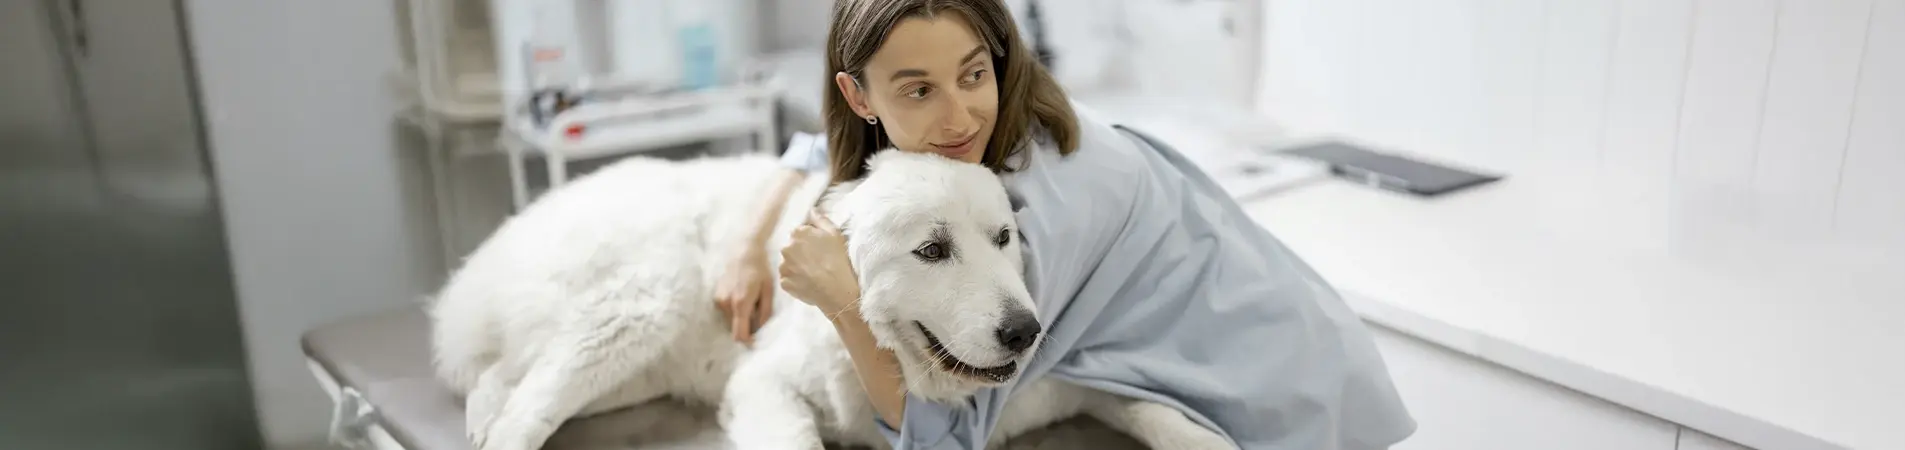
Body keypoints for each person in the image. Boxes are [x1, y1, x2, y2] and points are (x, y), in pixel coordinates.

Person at [713, 0, 1418, 449]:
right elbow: (823, 148)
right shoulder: (948, 153)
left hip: (1273, 379)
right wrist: (749, 241)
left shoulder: (1029, 203)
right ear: (859, 95)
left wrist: (843, 302)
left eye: (972, 75)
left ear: (999, 63)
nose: (957, 117)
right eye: (918, 89)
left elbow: (943, 436)